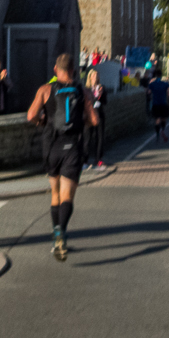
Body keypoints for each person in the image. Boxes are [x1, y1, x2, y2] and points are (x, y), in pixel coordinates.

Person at [27, 53, 99, 261]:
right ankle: (61, 232)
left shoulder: (45, 90)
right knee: (68, 196)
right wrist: (82, 119)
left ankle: (55, 234)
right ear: (74, 71)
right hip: (72, 147)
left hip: (51, 146)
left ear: (55, 70)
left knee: (55, 194)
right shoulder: (83, 91)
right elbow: (94, 120)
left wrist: (43, 122)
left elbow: (31, 116)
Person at [83, 68, 107, 169]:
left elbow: (105, 102)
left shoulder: (101, 87)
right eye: (93, 76)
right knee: (87, 138)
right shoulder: (86, 89)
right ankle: (85, 161)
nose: (95, 77)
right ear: (90, 77)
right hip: (89, 116)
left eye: (97, 76)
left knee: (100, 137)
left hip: (99, 114)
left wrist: (101, 95)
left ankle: (98, 159)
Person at [146, 67, 169, 143]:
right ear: (161, 76)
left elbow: (148, 92)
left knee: (157, 119)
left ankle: (157, 134)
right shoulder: (165, 84)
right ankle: (163, 130)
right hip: (163, 104)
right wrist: (166, 94)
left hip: (155, 104)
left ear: (155, 76)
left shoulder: (152, 84)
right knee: (164, 118)